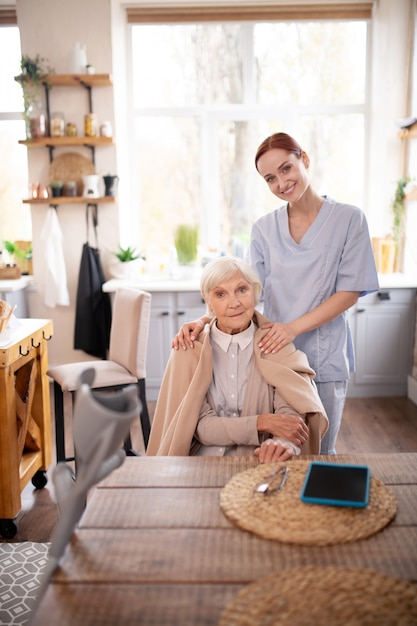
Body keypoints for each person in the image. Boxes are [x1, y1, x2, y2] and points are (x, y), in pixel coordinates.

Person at [172, 132, 379, 454]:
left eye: (286, 169)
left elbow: (349, 293)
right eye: (270, 178)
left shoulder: (349, 219)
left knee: (318, 449)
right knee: (278, 449)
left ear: (304, 160)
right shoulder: (264, 229)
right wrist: (205, 320)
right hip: (274, 356)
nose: (281, 182)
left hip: (323, 356)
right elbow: (249, 292)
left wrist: (292, 329)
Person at [147, 256, 328, 462]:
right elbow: (202, 428)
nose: (234, 303)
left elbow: (290, 417)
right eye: (221, 294)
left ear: (255, 292)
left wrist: (281, 443)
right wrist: (262, 422)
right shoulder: (189, 349)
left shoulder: (276, 345)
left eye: (242, 290)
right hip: (200, 462)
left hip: (261, 460)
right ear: (208, 299)